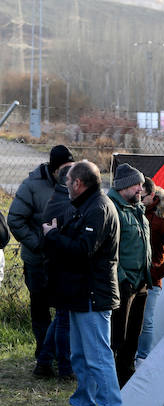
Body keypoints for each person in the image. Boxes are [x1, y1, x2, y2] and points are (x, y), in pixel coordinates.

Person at [43, 160, 123, 406]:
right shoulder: (84, 207)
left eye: (68, 182)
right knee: (80, 355)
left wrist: (53, 236)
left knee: (98, 356)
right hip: (79, 294)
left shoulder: (98, 209)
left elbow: (82, 250)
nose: (66, 186)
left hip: (93, 295)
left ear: (78, 183)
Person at [8, 144, 74, 364]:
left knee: (64, 311)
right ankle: (43, 355)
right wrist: (38, 243)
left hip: (64, 260)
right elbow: (15, 219)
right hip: (37, 260)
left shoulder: (75, 185)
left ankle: (59, 354)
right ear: (54, 169)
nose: (68, 174)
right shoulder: (31, 186)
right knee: (40, 308)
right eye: (65, 169)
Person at [107, 164, 153, 388]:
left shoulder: (137, 209)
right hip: (124, 284)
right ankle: (112, 379)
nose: (140, 188)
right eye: (137, 184)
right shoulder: (113, 209)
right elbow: (108, 248)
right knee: (119, 336)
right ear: (124, 185)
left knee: (134, 333)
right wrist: (122, 278)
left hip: (141, 283)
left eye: (142, 184)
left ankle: (127, 375)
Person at [36, 164, 76, 380]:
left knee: (61, 317)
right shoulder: (65, 203)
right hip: (62, 268)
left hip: (57, 267)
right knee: (64, 319)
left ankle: (44, 361)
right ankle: (65, 368)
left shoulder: (58, 199)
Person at [135, 185, 164, 367]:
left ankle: (143, 357)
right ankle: (132, 354)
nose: (140, 197)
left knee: (147, 320)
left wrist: (156, 272)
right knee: (135, 318)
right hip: (135, 275)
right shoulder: (138, 212)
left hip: (152, 277)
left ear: (154, 198)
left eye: (143, 195)